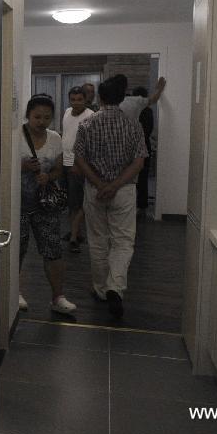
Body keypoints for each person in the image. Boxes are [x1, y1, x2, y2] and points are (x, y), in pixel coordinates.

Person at [73, 77, 148, 319]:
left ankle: (101, 289)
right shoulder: (133, 125)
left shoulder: (87, 125)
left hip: (95, 190)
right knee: (123, 242)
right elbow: (139, 162)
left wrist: (100, 185)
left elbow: (80, 160)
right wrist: (115, 185)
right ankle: (116, 287)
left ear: (100, 98)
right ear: (122, 98)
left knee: (97, 241)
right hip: (124, 191)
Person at [19, 94, 77, 315]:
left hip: (46, 205)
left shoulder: (54, 138)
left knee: (53, 251)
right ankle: (14, 293)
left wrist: (48, 177)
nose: (41, 121)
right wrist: (21, 166)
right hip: (19, 206)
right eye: (37, 117)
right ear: (28, 115)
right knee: (18, 251)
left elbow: (59, 169)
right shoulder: (17, 136)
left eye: (46, 117)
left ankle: (57, 297)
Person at [61, 86, 94, 253]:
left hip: (78, 165)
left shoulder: (90, 116)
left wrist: (79, 164)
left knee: (78, 203)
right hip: (64, 162)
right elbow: (66, 134)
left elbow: (90, 144)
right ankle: (76, 232)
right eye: (73, 99)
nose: (76, 103)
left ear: (85, 99)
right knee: (70, 201)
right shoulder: (67, 112)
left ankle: (74, 238)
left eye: (79, 99)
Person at [133, 87, 156, 212]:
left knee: (136, 177)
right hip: (145, 146)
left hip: (135, 146)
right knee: (142, 177)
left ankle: (138, 204)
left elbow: (145, 131)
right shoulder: (148, 111)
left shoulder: (136, 111)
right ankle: (141, 205)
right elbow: (148, 131)